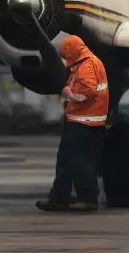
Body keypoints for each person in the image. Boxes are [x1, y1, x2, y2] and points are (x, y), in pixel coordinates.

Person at [38, 35, 110, 212]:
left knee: (80, 161)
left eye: (66, 55)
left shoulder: (86, 66)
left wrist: (68, 95)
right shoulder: (89, 62)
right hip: (84, 120)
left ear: (72, 52)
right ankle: (59, 196)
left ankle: (87, 198)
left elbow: (87, 91)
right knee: (67, 159)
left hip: (83, 121)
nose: (65, 59)